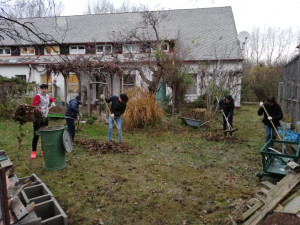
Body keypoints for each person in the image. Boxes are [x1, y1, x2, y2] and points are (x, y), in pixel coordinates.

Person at [31, 83, 56, 159]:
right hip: (37, 118)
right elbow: (33, 106)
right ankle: (33, 151)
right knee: (36, 134)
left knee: (45, 134)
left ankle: (43, 150)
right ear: (40, 89)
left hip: (45, 117)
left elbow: (51, 99)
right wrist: (39, 109)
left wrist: (53, 102)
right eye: (43, 89)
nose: (44, 90)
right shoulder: (37, 96)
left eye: (46, 89)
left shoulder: (47, 96)